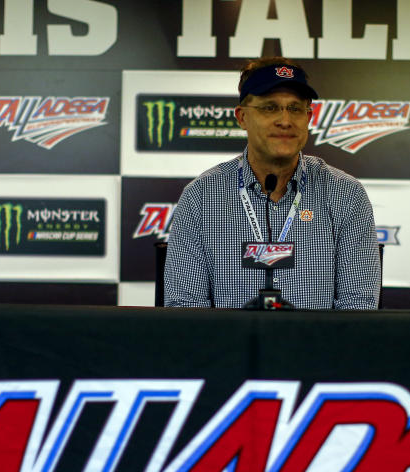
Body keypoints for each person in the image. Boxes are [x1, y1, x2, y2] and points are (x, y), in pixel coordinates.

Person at [163, 56, 381, 309]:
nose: (285, 120)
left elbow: (359, 307)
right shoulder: (201, 197)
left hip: (317, 347)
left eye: (295, 108)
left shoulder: (346, 194)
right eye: (270, 107)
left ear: (309, 117)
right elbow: (185, 307)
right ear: (242, 117)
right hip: (229, 348)